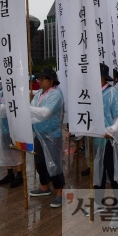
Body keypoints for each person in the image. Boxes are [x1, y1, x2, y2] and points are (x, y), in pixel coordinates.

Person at [91, 63, 118, 227]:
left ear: (102, 78)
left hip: (109, 141)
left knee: (114, 174)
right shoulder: (90, 94)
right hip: (96, 140)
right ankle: (99, 202)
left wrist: (112, 130)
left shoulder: (111, 92)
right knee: (98, 171)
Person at [28, 69, 66, 208]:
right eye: (39, 79)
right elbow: (33, 108)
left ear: (51, 80)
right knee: (39, 161)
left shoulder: (56, 95)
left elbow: (46, 113)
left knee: (54, 164)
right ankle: (44, 186)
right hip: (39, 134)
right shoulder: (39, 94)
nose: (40, 81)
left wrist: (27, 108)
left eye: (43, 79)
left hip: (51, 136)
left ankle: (60, 192)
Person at [0, 90, 23, 188]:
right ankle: (10, 174)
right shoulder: (1, 93)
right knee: (7, 152)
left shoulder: (16, 92)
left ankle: (19, 175)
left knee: (16, 153)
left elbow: (8, 109)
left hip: (14, 129)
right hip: (3, 129)